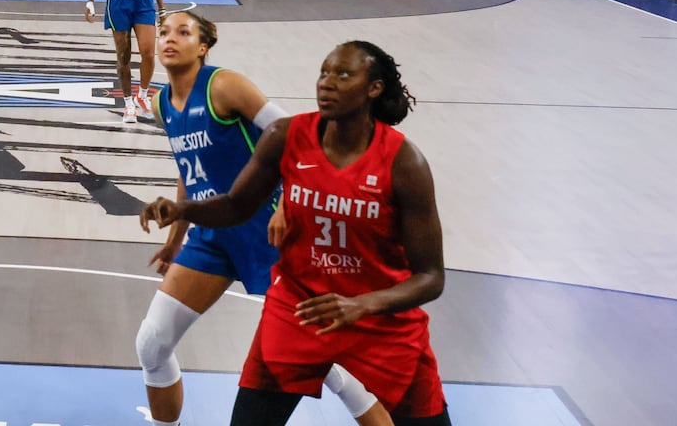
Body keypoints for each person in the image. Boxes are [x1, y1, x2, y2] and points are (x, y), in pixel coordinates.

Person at [141, 42, 449, 425]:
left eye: (343, 75)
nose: (327, 84)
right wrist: (184, 209)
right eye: (324, 73)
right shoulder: (286, 136)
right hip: (298, 309)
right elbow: (237, 205)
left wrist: (363, 304)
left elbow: (432, 278)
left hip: (379, 319)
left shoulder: (405, 163)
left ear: (374, 88)